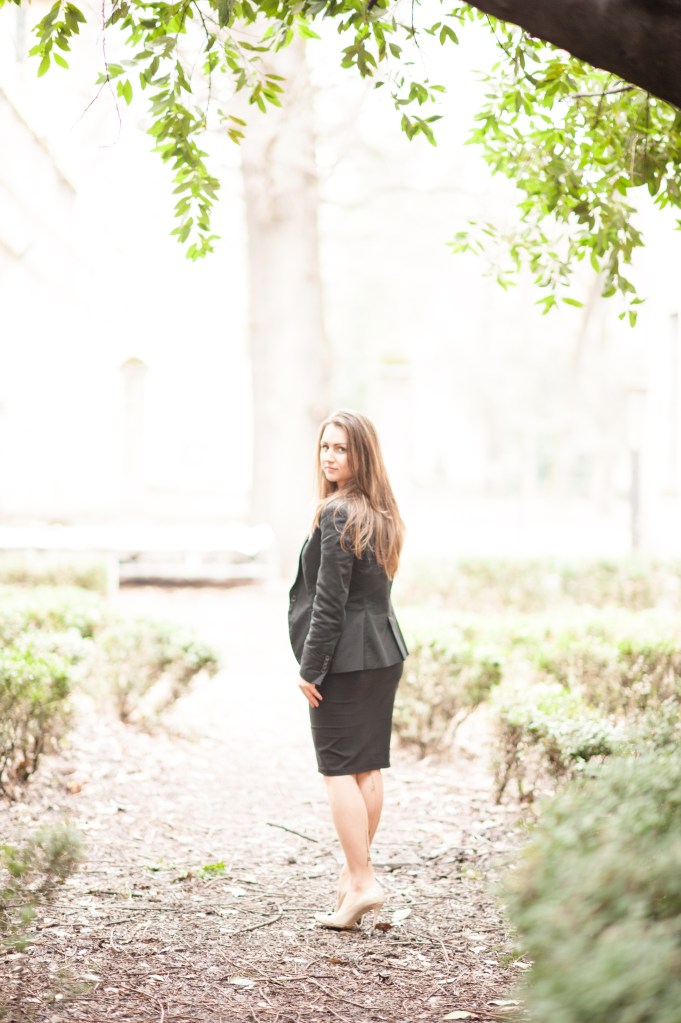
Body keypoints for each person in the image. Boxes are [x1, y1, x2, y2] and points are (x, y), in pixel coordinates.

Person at [288, 409, 408, 931]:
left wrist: (310, 668)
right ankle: (353, 879)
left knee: (338, 769)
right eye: (325, 447)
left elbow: (330, 603)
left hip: (346, 660)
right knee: (366, 768)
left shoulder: (338, 513)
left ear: (362, 454)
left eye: (341, 448)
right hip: (383, 653)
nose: (330, 457)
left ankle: (361, 880)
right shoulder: (380, 511)